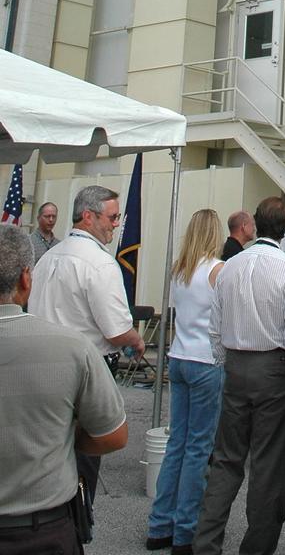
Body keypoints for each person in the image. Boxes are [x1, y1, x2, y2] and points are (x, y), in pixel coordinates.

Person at [193, 197, 285, 555]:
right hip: (274, 368)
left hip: (236, 365)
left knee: (226, 460)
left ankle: (205, 544)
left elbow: (215, 325)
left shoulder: (229, 267)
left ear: (256, 225)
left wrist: (224, 361)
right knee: (269, 464)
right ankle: (257, 548)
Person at [0, 225, 128, 555]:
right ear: (26, 281)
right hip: (42, 532)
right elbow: (113, 435)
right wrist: (62, 437)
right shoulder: (74, 349)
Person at [28, 184, 144, 500]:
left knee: (48, 452)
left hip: (41, 365)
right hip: (84, 371)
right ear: (89, 216)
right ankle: (77, 524)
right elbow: (117, 331)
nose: (117, 223)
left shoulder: (49, 258)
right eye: (112, 216)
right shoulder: (99, 263)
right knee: (83, 458)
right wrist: (136, 339)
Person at [146, 209, 226, 555]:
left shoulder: (180, 269)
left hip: (179, 356)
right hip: (206, 359)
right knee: (198, 448)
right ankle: (185, 530)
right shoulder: (217, 271)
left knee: (177, 442)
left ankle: (160, 523)